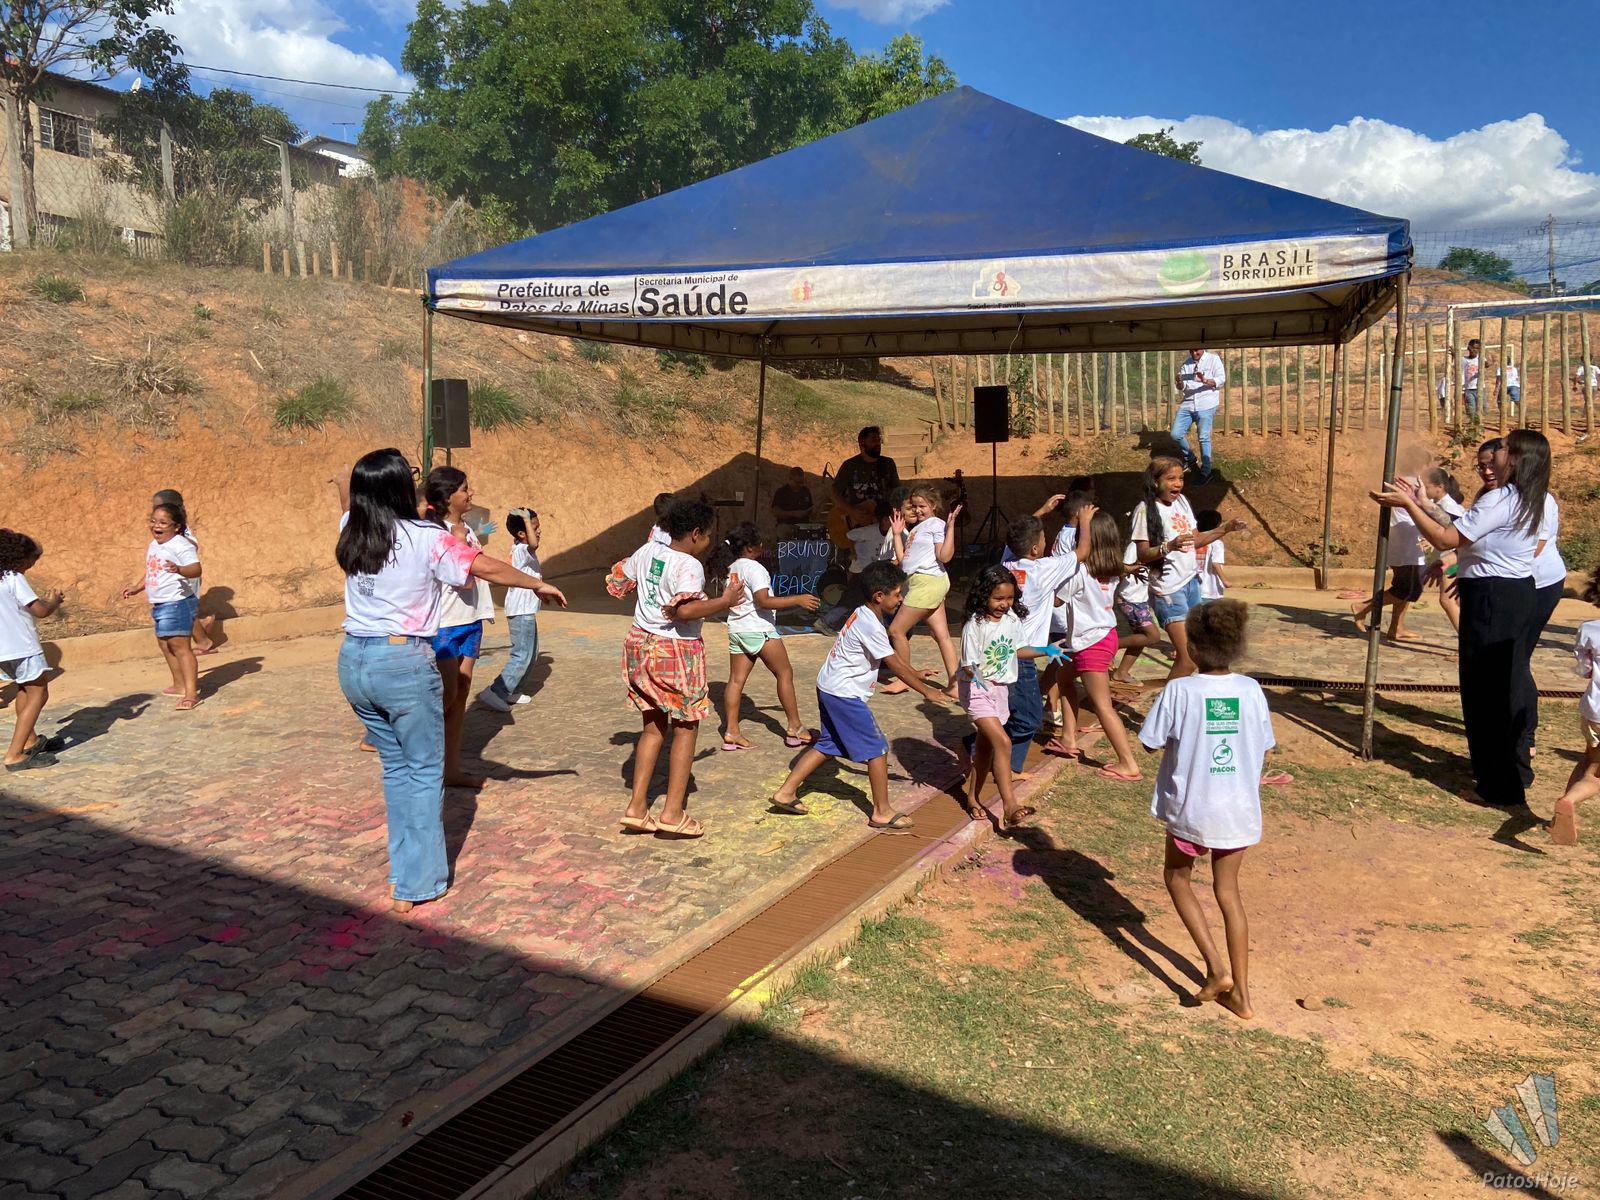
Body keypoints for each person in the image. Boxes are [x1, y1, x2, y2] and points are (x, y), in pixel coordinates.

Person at [336, 449, 561, 913]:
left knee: (397, 771)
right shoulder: (425, 537)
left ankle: (403, 872)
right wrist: (536, 583)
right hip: (403, 662)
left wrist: (355, 476)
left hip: (355, 662)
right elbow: (485, 566)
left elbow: (345, 485)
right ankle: (415, 884)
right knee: (423, 774)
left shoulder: (353, 528)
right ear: (402, 487)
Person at [1372, 432, 1547, 807]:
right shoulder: (1527, 496)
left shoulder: (1502, 497)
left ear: (1517, 458)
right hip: (1511, 594)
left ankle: (1497, 787)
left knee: (1484, 692)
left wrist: (1408, 504)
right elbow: (1469, 533)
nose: (1493, 457)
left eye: (1502, 450)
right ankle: (1510, 772)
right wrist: (1423, 503)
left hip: (1493, 597)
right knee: (1500, 688)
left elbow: (1446, 539)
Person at [1139, 598, 1273, 1019]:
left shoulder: (1179, 691)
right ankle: (1243, 997)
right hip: (1238, 810)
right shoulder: (1251, 690)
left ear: (1191, 648)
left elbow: (1149, 742)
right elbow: (1265, 747)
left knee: (1176, 877)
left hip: (1191, 810)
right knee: (1229, 894)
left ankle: (1216, 969)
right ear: (1237, 647)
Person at [769, 561, 952, 829]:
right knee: (877, 749)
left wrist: (915, 672)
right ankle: (881, 811)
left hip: (830, 687)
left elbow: (892, 661)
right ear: (879, 596)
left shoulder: (862, 613)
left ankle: (786, 793)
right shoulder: (871, 625)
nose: (901, 599)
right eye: (897, 594)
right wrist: (926, 690)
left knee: (829, 745)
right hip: (843, 694)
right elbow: (895, 664)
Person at [613, 498, 744, 839]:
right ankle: (672, 813)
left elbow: (618, 583)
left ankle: (637, 807)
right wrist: (725, 601)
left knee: (652, 727)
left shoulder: (647, 551)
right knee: (686, 727)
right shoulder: (688, 565)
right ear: (696, 533)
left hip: (640, 644)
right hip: (675, 650)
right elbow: (684, 611)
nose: (709, 542)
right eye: (708, 535)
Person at [956, 565, 1060, 827]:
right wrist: (978, 677)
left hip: (1000, 689)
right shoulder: (974, 625)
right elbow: (969, 665)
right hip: (976, 690)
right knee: (1003, 742)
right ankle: (1010, 806)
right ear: (984, 596)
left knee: (985, 748)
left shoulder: (1012, 619)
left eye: (1010, 598)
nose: (1004, 604)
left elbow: (1018, 650)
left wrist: (1046, 650)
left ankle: (972, 798)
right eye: (998, 598)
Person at [1130, 456, 1245, 682]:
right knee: (1189, 659)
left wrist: (1226, 528)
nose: (1178, 484)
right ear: (1155, 481)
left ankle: (1185, 696)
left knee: (1199, 654)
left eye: (1181, 478)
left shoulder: (1182, 502)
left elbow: (1196, 540)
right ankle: (1168, 701)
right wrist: (1169, 546)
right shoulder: (1144, 510)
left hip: (1192, 584)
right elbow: (1142, 554)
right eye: (1171, 478)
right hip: (1168, 590)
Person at [707, 522, 821, 751]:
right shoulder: (755, 569)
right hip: (758, 628)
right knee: (784, 673)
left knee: (736, 680)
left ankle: (731, 731)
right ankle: (795, 727)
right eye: (760, 542)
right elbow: (764, 601)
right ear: (751, 547)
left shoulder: (731, 568)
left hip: (737, 629)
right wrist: (798, 599)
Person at [992, 504, 1086, 775]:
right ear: (1035, 549)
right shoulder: (1043, 569)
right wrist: (1086, 521)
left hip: (1002, 652)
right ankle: (977, 747)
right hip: (1022, 657)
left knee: (1012, 712)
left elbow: (1016, 537)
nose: (1047, 542)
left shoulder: (1007, 562)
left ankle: (1010, 767)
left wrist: (1042, 510)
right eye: (1044, 538)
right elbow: (1082, 552)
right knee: (1030, 718)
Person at [1058, 507, 1146, 782]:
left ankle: (1128, 763)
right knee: (1063, 678)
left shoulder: (1079, 573)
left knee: (1102, 705)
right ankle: (1068, 738)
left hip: (1090, 644)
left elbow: (1057, 600)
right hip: (1102, 637)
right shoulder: (1113, 570)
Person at [424, 467, 499, 789]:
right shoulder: (434, 532)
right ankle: (423, 763)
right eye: (465, 489)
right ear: (447, 496)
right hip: (445, 624)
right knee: (446, 696)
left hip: (470, 620)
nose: (471, 494)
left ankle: (450, 768)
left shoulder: (466, 528)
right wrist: (457, 542)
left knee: (460, 697)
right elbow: (463, 578)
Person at [120, 500, 202, 710]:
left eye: (163, 522)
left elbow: (196, 569)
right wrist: (138, 587)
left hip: (177, 602)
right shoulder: (154, 545)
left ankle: (191, 694)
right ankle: (179, 684)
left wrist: (179, 570)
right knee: (165, 645)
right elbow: (152, 570)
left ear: (176, 526)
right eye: (153, 521)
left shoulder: (181, 545)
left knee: (181, 648)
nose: (156, 526)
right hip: (160, 603)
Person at [882, 484, 962, 695]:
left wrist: (950, 528)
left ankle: (904, 679)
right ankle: (955, 685)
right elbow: (903, 560)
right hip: (922, 582)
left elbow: (944, 556)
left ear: (933, 505)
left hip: (926, 583)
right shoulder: (917, 529)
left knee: (896, 630)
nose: (918, 510)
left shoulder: (936, 524)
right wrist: (897, 534)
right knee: (942, 635)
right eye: (914, 506)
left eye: (922, 506)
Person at [1516, 432, 1564, 763]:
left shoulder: (1542, 502)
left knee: (1518, 658)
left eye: (1509, 451)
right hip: (1515, 583)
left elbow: (1532, 549)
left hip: (1540, 584)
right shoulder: (1502, 496)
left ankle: (1526, 733)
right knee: (1512, 658)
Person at [0, 530, 65, 771]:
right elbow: (41, 611)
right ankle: (15, 754)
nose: (31, 566)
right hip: (22, 646)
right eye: (31, 560)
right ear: (18, 558)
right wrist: (54, 601)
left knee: (24, 690)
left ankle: (30, 740)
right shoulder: (14, 577)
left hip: (3, 650)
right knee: (39, 693)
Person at [478, 508, 548, 713]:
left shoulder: (522, 549)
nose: (539, 532)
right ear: (521, 534)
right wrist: (525, 519)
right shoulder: (522, 549)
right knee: (522, 655)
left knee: (531, 653)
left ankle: (512, 690)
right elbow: (533, 544)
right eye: (534, 528)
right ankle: (496, 691)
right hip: (520, 611)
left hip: (526, 609)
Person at [1552, 567, 1600, 845]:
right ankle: (1569, 801)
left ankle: (1561, 816)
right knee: (1595, 777)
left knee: (1588, 759)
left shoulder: (1589, 630)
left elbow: (1585, 671)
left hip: (1593, 712)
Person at [152, 488, 218, 653]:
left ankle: (203, 641)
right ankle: (202, 635)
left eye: (159, 506)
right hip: (174, 575)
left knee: (185, 609)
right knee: (187, 610)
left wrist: (177, 541)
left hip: (185, 575)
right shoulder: (166, 529)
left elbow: (193, 545)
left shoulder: (180, 529)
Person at [828, 426, 901, 547]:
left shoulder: (888, 464)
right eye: (873, 440)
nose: (877, 444)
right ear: (862, 443)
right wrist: (851, 511)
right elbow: (834, 492)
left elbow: (897, 491)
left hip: (881, 524)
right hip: (857, 525)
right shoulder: (850, 465)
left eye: (878, 440)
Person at [1110, 538, 1163, 691]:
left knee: (1141, 638)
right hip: (1130, 598)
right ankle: (1108, 646)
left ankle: (1121, 672)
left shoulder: (1156, 545)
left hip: (1140, 599)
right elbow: (1123, 569)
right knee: (1153, 636)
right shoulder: (1135, 546)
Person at [1171, 348, 1225, 482]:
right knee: (1176, 434)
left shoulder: (1213, 359)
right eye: (1191, 351)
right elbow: (1182, 387)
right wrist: (1179, 383)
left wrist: (1204, 380)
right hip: (1188, 403)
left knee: (1203, 437)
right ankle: (1190, 458)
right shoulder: (1186, 364)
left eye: (1196, 351)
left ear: (1202, 348)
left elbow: (1221, 380)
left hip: (1206, 403)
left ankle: (1206, 472)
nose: (1194, 354)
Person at [1196, 510, 1229, 600]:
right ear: (1217, 526)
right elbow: (1215, 563)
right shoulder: (1217, 543)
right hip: (1211, 590)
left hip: (1196, 589)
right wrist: (1225, 580)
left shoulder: (1195, 542)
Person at [1461, 338, 1482, 420]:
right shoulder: (1464, 360)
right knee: (1471, 406)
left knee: (1482, 407)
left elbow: (1487, 364)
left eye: (1478, 348)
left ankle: (1478, 421)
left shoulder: (1480, 358)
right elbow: (1458, 359)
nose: (1475, 350)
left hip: (1480, 388)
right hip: (1468, 388)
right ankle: (1473, 422)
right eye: (1474, 348)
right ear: (1469, 348)